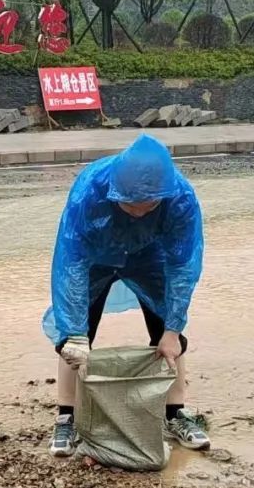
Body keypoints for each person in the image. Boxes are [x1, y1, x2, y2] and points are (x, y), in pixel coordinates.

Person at [44, 133, 209, 458]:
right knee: (74, 341)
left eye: (149, 206)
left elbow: (183, 264)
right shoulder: (89, 190)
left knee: (169, 334)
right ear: (115, 190)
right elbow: (70, 261)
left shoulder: (181, 198)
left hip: (149, 255)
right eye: (130, 204)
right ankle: (66, 416)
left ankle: (175, 413)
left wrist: (173, 328)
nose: (139, 212)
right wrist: (74, 331)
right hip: (94, 258)